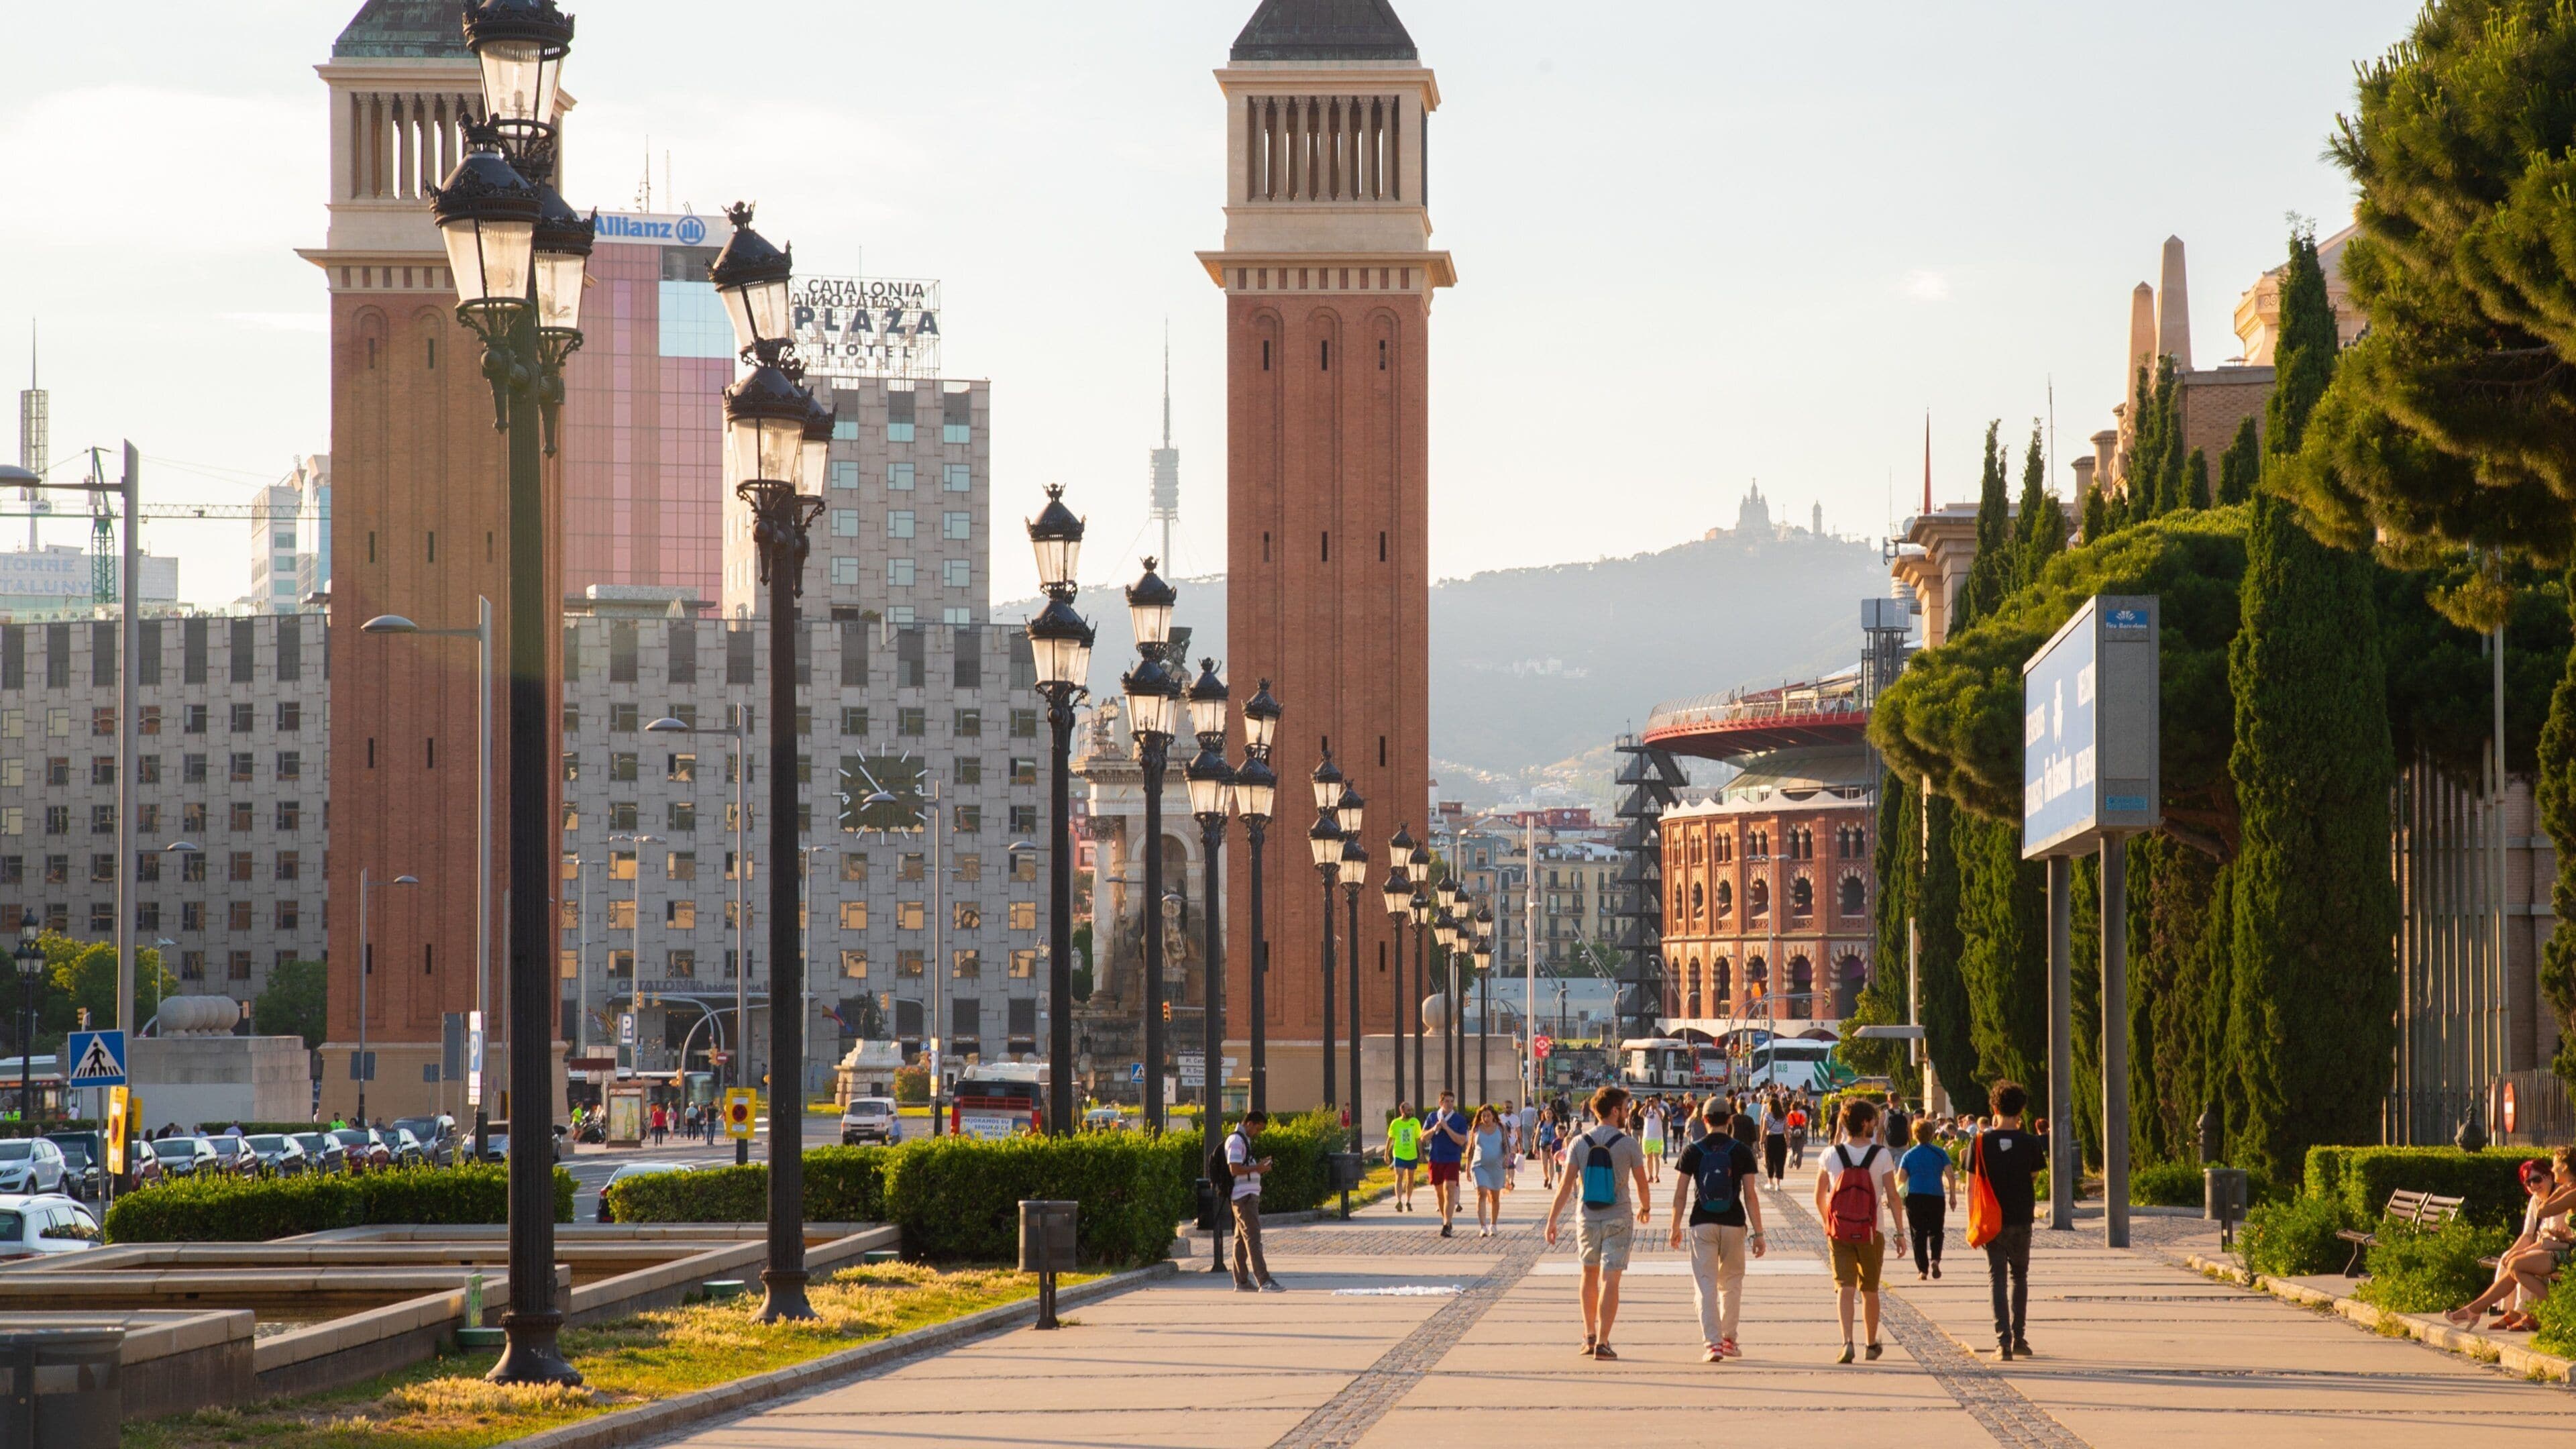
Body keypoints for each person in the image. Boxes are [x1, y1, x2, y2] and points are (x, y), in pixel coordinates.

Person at [1544, 1085, 1652, 1360]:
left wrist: (1552, 1220)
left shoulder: (1579, 1142)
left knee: (1588, 1274)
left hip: (1587, 1216)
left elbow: (1566, 1185)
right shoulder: (1628, 1144)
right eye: (1626, 1109)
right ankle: (1603, 1342)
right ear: (1615, 1111)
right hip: (1618, 1216)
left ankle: (1589, 1335)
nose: (1628, 1113)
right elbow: (1642, 1182)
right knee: (1610, 1279)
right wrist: (1645, 1208)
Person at [1669, 1098, 1765, 1362]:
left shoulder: (1693, 1151)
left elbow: (1680, 1194)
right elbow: (1750, 1196)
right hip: (1735, 1224)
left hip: (1702, 1223)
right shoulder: (1742, 1151)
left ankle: (1712, 1344)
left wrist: (1675, 1226)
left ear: (1705, 1120)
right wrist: (1759, 1233)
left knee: (1706, 1284)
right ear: (1730, 1120)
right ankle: (1729, 1340)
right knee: (1732, 1283)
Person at [1813, 1097, 1904, 1364]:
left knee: (1844, 1287)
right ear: (1865, 1123)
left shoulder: (1830, 1154)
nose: (1877, 1124)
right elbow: (1893, 1196)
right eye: (1874, 1120)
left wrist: (1826, 1222)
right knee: (1870, 1289)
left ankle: (1847, 1342)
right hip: (1872, 1230)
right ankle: (1871, 1343)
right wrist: (1900, 1232)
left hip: (1839, 1231)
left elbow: (1819, 1195)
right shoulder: (1882, 1155)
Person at [2448, 1152, 2576, 1330]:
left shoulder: (2572, 1193)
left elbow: (2543, 1211)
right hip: (2568, 1247)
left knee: (2517, 1265)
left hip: (2570, 1255)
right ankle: (2475, 1310)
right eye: (2528, 1182)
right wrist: (2568, 1236)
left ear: (2565, 1167)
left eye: (2554, 1165)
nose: (2552, 1168)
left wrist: (2559, 1191)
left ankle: (2554, 1307)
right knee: (2515, 1263)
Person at [1970, 1081, 2045, 1359]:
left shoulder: (1979, 1142)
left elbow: (1972, 1184)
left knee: (1996, 1278)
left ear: (1994, 1108)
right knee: (2020, 1276)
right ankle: (2020, 1339)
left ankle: (2002, 1342)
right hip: (2021, 1217)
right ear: (2022, 1110)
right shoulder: (2030, 1142)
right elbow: (2035, 1176)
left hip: (1991, 1220)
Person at [1222, 1111, 1285, 1293]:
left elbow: (1242, 1166)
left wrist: (1259, 1166)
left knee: (1241, 1240)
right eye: (1258, 1128)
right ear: (1249, 1123)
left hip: (1245, 1196)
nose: (1258, 1133)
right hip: (1244, 1198)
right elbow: (1234, 1169)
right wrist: (1258, 1168)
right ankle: (1264, 1281)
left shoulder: (1243, 1141)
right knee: (1253, 1239)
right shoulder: (1236, 1141)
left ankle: (1241, 1282)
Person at [1898, 1119, 1957, 1281]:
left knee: (1918, 1233)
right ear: (1932, 1134)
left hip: (1915, 1197)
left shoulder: (1909, 1155)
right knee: (1937, 1231)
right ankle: (1936, 1260)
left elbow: (1901, 1179)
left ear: (1914, 1134)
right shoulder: (1940, 1153)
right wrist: (1952, 1196)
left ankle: (1922, 1270)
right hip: (1936, 1196)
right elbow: (1951, 1175)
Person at [1421, 1091, 1472, 1238]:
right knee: (1439, 1194)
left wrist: (1447, 1128)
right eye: (1447, 1101)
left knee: (1449, 1190)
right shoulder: (1432, 1117)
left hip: (1452, 1159)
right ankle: (1447, 1221)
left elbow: (1462, 1140)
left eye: (1451, 1101)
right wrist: (1434, 1128)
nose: (1449, 1104)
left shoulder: (1459, 1120)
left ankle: (1446, 1224)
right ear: (1440, 1103)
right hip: (1436, 1158)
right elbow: (1423, 1137)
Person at [1469, 1106, 1508, 1236]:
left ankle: (1493, 1225)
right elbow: (1470, 1149)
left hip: (1496, 1167)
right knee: (1482, 1193)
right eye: (1483, 1116)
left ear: (1493, 1116)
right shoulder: (1476, 1129)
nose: (1486, 1119)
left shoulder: (1501, 1128)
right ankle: (1483, 1227)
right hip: (1479, 1165)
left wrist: (1507, 1158)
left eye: (1488, 1116)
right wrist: (1467, 1167)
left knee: (1495, 1197)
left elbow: (1506, 1146)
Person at [1387, 1102, 1423, 1213]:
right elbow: (1390, 1139)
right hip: (1399, 1154)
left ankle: (1408, 1201)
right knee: (1399, 1176)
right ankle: (1399, 1201)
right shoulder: (1395, 1123)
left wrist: (1421, 1153)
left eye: (1411, 1110)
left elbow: (1418, 1138)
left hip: (1412, 1155)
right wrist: (1386, 1154)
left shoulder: (1415, 1122)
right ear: (1402, 1111)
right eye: (1408, 1110)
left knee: (1410, 1179)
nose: (1410, 1112)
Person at [1761, 1093, 1789, 1186]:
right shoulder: (1783, 1116)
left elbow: (1764, 1130)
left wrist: (1761, 1141)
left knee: (1770, 1160)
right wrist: (1788, 1142)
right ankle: (1778, 1184)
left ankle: (1770, 1182)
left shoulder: (1767, 1116)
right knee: (1780, 1161)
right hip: (1781, 1139)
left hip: (1771, 1139)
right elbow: (1786, 1130)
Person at [1640, 1099, 1666, 1185]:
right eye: (1650, 1101)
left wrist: (1656, 1108)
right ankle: (1650, 1176)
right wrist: (1645, 1106)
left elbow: (1662, 1116)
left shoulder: (1660, 1109)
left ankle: (1656, 1176)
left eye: (1654, 1101)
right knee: (1648, 1158)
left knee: (1656, 1157)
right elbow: (1639, 1114)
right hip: (1647, 1137)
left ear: (1657, 1102)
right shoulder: (1646, 1110)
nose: (1652, 1103)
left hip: (1657, 1137)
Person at [1536, 1110, 1561, 1189]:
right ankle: (1546, 1177)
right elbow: (1537, 1135)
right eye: (1547, 1113)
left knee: (1552, 1165)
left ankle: (1550, 1182)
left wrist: (1552, 1145)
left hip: (1552, 1146)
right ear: (1544, 1114)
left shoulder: (1555, 1124)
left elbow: (1559, 1135)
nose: (1548, 1115)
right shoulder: (1541, 1123)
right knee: (1544, 1165)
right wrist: (1534, 1146)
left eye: (1550, 1113)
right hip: (1542, 1146)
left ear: (1553, 1115)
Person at [1785, 1099, 1809, 1171]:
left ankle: (1791, 1160)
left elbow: (1787, 1125)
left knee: (1792, 1149)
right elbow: (1804, 1125)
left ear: (1791, 1108)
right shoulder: (1801, 1116)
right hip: (1800, 1135)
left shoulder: (1789, 1115)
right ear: (1798, 1108)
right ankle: (1798, 1165)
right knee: (1800, 1150)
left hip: (1792, 1134)